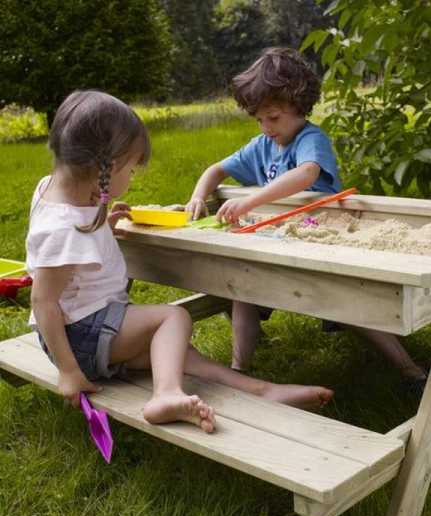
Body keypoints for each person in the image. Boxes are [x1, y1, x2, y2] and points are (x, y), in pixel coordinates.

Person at [26, 90, 334, 436]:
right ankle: (166, 394)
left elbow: (74, 259)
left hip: (86, 334)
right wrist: (69, 371)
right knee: (173, 319)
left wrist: (104, 226)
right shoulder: (64, 229)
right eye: (131, 168)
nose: (132, 177)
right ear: (107, 166)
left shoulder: (60, 190)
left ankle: (262, 390)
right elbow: (43, 301)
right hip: (81, 336)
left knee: (177, 353)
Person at [186, 48, 427, 390]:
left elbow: (307, 173)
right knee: (241, 288)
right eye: (259, 119)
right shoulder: (262, 144)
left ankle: (410, 369)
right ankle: (239, 368)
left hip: (322, 242)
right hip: (278, 242)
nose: (266, 127)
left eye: (273, 117)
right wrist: (198, 196)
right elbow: (216, 170)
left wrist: (251, 200)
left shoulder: (311, 139)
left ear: (298, 105)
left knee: (349, 303)